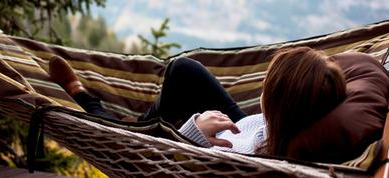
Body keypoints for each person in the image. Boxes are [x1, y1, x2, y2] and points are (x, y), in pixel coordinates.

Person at [49, 46, 346, 156]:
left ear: (276, 101)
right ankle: (145, 121)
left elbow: (183, 160)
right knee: (184, 69)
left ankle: (80, 92)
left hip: (222, 141)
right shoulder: (303, 118)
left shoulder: (251, 158)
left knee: (122, 138)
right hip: (249, 127)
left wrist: (194, 130)